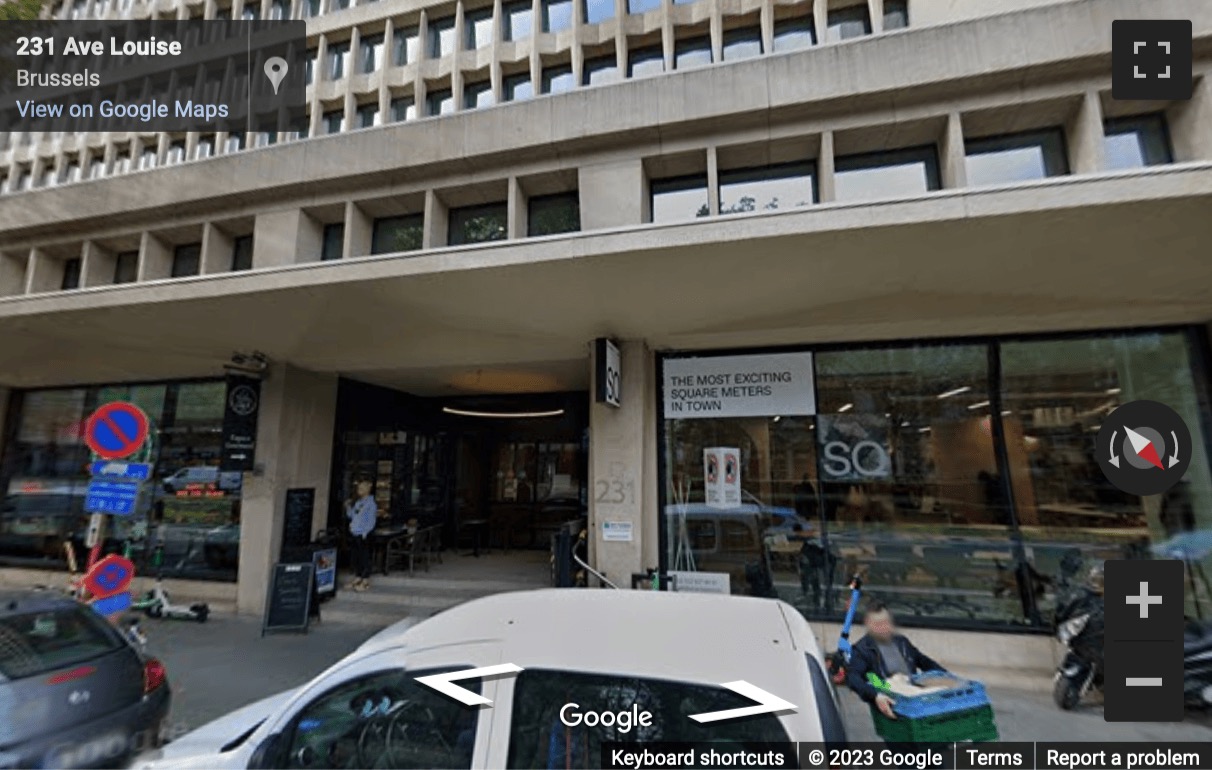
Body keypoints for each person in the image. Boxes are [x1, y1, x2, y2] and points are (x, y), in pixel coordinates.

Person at [846, 601, 946, 721]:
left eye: (886, 622)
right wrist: (875, 695)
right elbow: (853, 677)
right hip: (890, 696)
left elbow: (923, 661)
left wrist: (947, 677)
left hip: (913, 695)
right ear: (869, 624)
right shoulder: (863, 650)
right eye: (878, 624)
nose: (883, 628)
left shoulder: (901, 642)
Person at [346, 477, 377, 592]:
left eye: (361, 488)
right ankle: (358, 576)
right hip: (355, 532)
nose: (359, 490)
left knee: (365, 556)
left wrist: (365, 532)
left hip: (364, 534)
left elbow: (371, 520)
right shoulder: (358, 503)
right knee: (356, 556)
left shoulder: (371, 504)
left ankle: (365, 579)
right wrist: (348, 507)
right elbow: (352, 515)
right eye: (358, 488)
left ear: (367, 489)